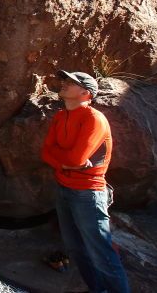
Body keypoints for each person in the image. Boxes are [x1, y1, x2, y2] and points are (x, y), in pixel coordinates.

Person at [41, 70, 130, 293]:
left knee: (101, 253)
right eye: (65, 80)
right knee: (75, 249)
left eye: (71, 82)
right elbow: (46, 152)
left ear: (85, 93)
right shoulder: (60, 116)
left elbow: (75, 158)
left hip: (88, 194)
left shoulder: (94, 119)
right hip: (64, 187)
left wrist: (63, 159)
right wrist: (65, 164)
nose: (64, 84)